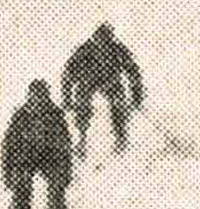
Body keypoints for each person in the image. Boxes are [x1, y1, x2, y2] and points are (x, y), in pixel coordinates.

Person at [1, 80, 73, 209]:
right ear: (29, 96)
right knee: (22, 181)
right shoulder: (21, 115)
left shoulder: (55, 114)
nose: (38, 100)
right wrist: (7, 174)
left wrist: (66, 171)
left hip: (51, 158)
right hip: (26, 157)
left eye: (42, 96)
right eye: (35, 96)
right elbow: (9, 145)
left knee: (57, 182)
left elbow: (65, 143)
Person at [60, 21, 145, 156]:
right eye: (100, 41)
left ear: (110, 39)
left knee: (118, 103)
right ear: (95, 39)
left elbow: (133, 72)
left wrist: (136, 97)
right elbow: (68, 74)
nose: (103, 44)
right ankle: (81, 139)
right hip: (88, 82)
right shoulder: (85, 50)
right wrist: (67, 98)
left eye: (106, 41)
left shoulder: (117, 49)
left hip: (111, 82)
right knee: (82, 104)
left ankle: (121, 139)